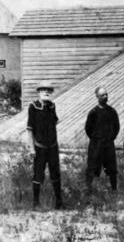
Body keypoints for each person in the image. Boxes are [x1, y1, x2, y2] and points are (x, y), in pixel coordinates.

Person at [26, 81, 62, 209]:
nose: (46, 92)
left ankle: (59, 203)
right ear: (39, 92)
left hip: (52, 146)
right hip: (39, 147)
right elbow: (30, 129)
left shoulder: (52, 106)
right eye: (43, 90)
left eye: (48, 90)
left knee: (55, 174)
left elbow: (55, 122)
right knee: (38, 175)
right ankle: (36, 203)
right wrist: (31, 148)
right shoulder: (33, 106)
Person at [85, 86, 120, 191]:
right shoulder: (93, 112)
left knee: (111, 168)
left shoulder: (112, 111)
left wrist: (110, 138)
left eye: (106, 94)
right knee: (92, 167)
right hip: (96, 145)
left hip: (108, 144)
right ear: (97, 97)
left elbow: (116, 127)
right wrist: (96, 139)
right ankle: (89, 189)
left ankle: (114, 189)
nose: (105, 97)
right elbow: (88, 129)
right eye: (102, 95)